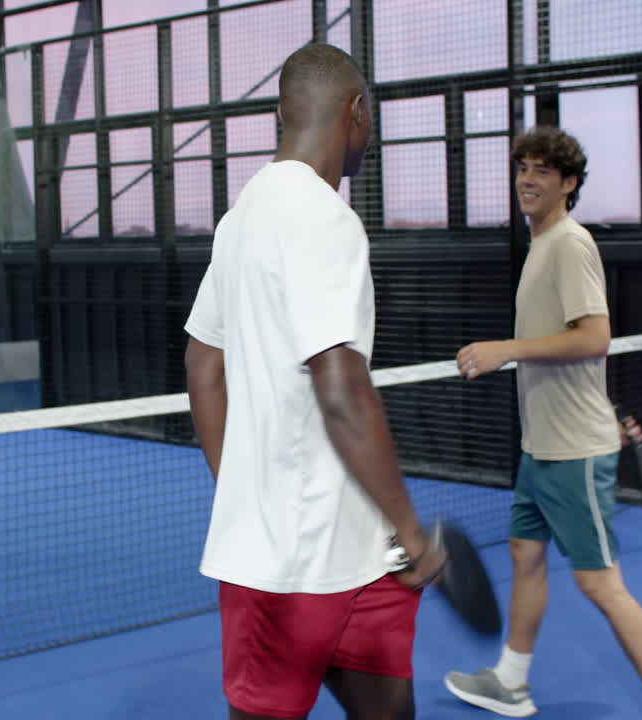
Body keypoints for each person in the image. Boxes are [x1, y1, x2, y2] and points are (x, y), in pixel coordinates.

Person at [184, 43, 445, 720]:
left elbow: (203, 363)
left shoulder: (238, 223)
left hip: (355, 551)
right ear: (356, 114)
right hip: (305, 568)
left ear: (282, 113)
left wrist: (241, 488)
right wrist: (411, 529)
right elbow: (341, 387)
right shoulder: (327, 219)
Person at [445, 126, 642, 720]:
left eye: (542, 172)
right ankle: (511, 681)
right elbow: (571, 345)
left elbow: (594, 336)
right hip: (543, 447)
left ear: (569, 184)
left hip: (572, 454)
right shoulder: (542, 245)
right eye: (522, 168)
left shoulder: (569, 244)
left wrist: (507, 348)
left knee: (600, 584)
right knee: (525, 556)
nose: (527, 180)